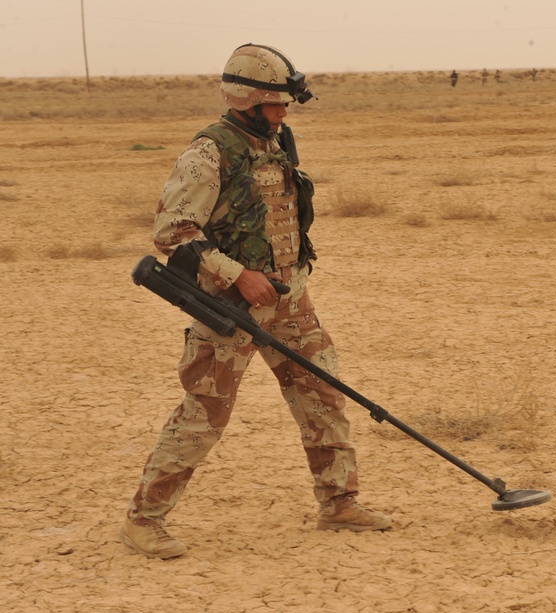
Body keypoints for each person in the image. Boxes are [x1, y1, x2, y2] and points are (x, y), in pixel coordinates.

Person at [120, 43, 392, 560]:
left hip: (291, 300)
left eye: (286, 104)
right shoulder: (208, 152)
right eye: (275, 104)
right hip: (230, 307)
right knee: (205, 414)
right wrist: (238, 276)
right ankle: (143, 519)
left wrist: (292, 278)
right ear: (246, 99)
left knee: (324, 395)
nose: (284, 113)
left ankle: (339, 502)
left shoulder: (276, 142)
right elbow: (172, 232)